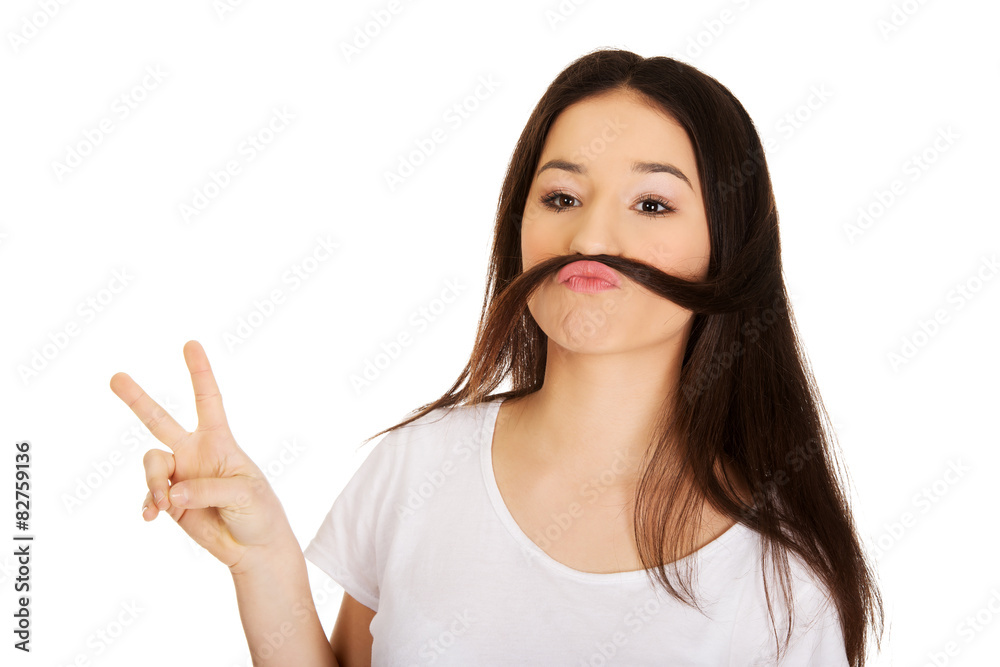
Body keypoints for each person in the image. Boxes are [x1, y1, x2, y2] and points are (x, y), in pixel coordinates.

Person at [111, 48, 884, 665]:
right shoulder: (415, 469)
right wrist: (264, 562)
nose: (590, 237)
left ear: (731, 247)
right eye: (561, 197)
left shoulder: (785, 577)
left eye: (652, 203)